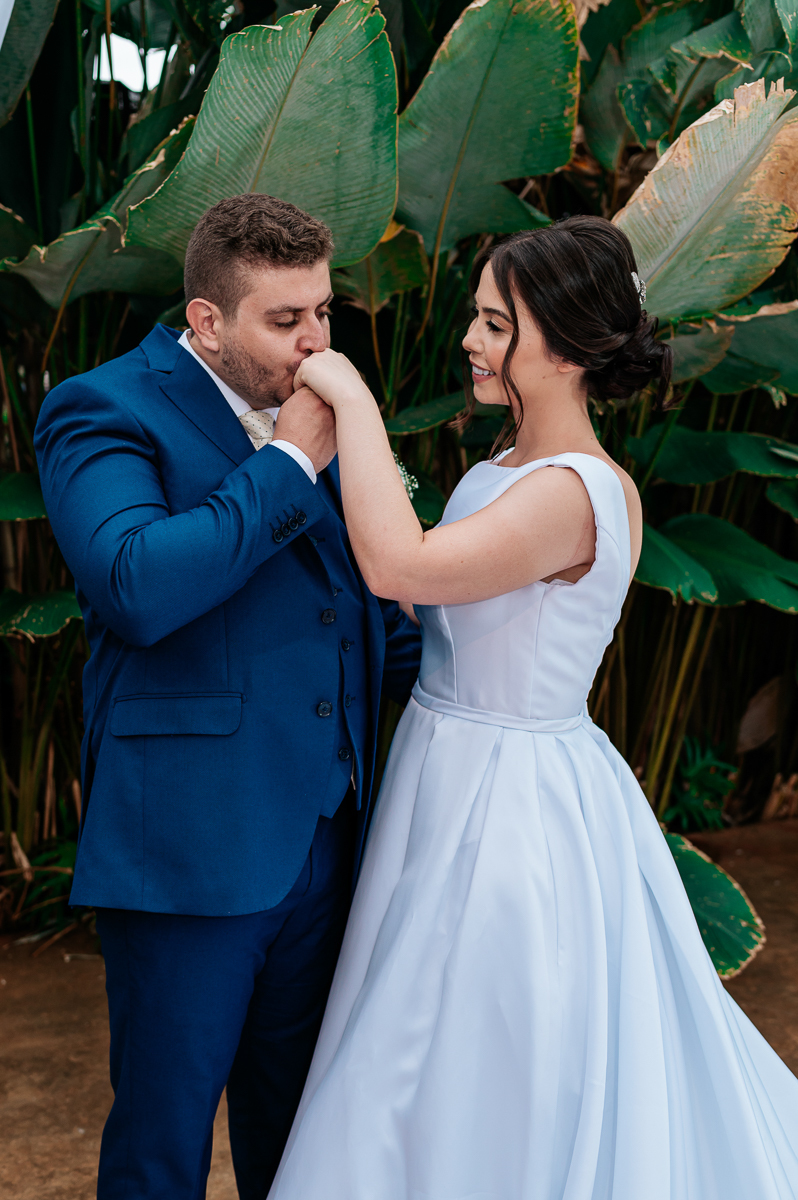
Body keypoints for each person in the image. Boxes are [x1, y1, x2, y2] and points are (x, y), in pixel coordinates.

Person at [267, 216, 798, 1198]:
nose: (470, 340)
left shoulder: (574, 493)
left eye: (495, 323)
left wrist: (347, 396)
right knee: (413, 1034)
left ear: (562, 348)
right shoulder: (497, 471)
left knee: (474, 1043)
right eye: (476, 318)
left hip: (508, 805)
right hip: (447, 767)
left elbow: (400, 567)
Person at [33, 193, 421, 1200]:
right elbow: (138, 586)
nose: (315, 343)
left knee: (302, 1139)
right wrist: (292, 460)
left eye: (324, 314)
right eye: (284, 321)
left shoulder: (330, 411)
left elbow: (358, 613)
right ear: (206, 319)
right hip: (187, 850)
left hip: (327, 838)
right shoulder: (103, 407)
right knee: (162, 1147)